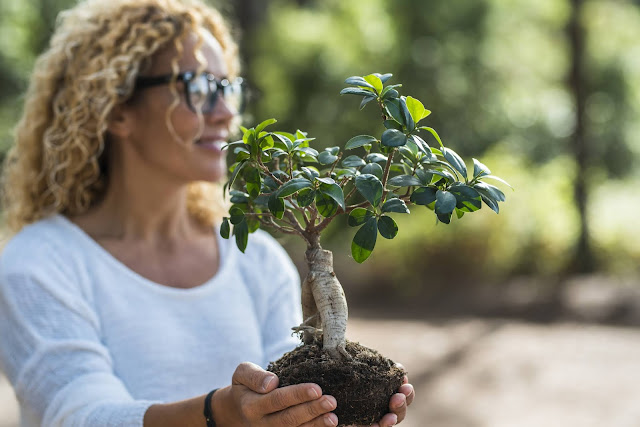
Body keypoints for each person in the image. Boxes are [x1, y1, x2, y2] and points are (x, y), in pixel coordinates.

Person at [0, 0, 415, 426]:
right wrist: (219, 413)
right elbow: (78, 415)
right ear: (117, 108)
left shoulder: (256, 259)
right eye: (197, 88)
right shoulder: (39, 264)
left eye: (227, 88)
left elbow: (292, 400)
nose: (224, 113)